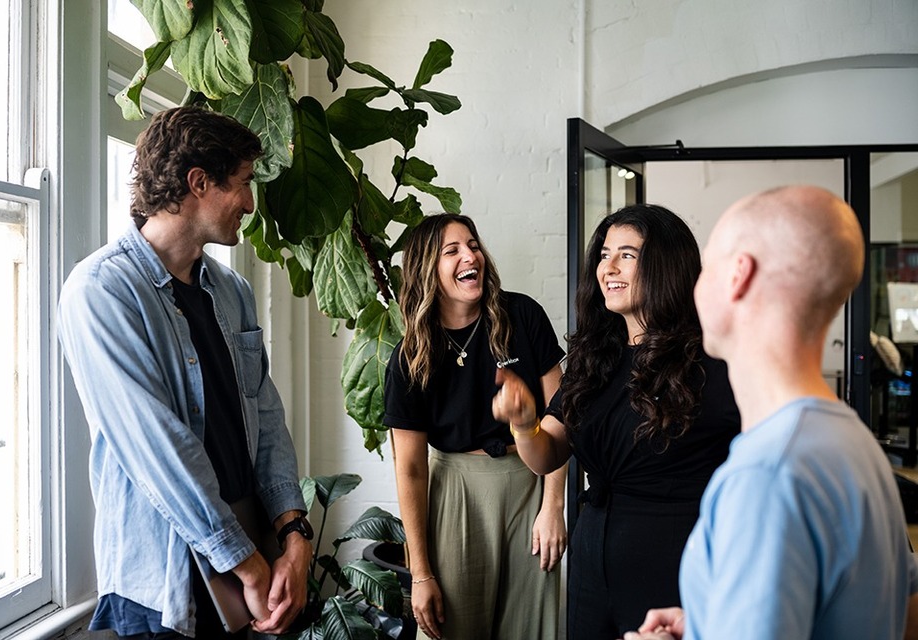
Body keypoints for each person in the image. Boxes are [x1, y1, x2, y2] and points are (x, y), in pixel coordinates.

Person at [57, 106, 311, 639]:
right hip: (163, 585)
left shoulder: (233, 292)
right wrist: (243, 560)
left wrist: (293, 530)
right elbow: (156, 448)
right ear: (199, 182)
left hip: (248, 563)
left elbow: (266, 416)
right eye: (242, 183)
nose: (249, 202)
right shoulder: (100, 292)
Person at [622, 185, 918, 640]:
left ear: (738, 275)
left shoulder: (769, 473)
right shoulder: (852, 440)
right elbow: (903, 611)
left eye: (707, 268)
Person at [493, 204, 740, 640]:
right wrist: (524, 423)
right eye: (605, 254)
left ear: (667, 265)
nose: (608, 267)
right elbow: (545, 455)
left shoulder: (714, 360)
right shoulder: (596, 358)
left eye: (627, 255)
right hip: (595, 554)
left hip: (675, 557)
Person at [383, 213, 567, 640]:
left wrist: (553, 506)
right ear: (428, 269)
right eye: (453, 251)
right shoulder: (409, 359)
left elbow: (562, 414)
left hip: (529, 485)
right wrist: (421, 573)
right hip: (456, 496)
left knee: (532, 628)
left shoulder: (522, 315)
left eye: (473, 245)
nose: (471, 256)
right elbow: (410, 469)